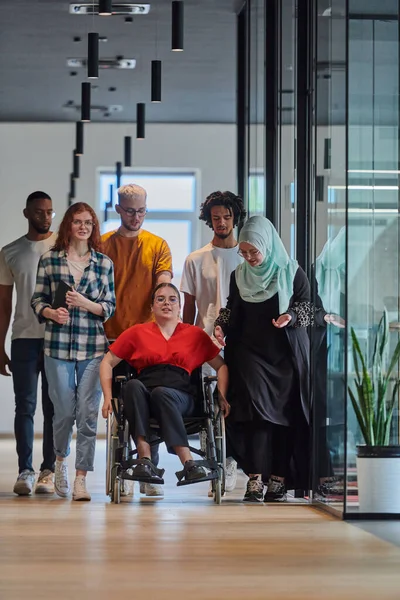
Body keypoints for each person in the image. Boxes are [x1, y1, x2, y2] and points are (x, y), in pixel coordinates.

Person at [214, 216, 311, 503]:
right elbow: (232, 308)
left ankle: (278, 479)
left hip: (285, 357)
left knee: (282, 418)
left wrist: (290, 316)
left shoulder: (292, 272)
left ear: (266, 245)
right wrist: (221, 324)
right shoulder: (239, 275)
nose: (248, 258)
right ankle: (254, 478)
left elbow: (307, 306)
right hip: (248, 353)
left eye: (253, 251)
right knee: (254, 414)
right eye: (243, 252)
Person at [100, 282, 229, 488]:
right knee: (132, 385)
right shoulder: (137, 333)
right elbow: (107, 362)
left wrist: (221, 396)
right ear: (152, 307)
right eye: (160, 299)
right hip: (145, 397)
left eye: (172, 299)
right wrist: (107, 397)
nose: (166, 303)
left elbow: (221, 366)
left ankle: (187, 462)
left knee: (162, 393)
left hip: (182, 397)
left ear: (179, 306)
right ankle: (145, 459)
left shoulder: (194, 334)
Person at [31, 202, 115, 502]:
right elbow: (37, 300)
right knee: (64, 412)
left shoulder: (104, 263)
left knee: (88, 413)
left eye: (88, 223)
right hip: (56, 347)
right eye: (78, 222)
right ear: (68, 225)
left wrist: (85, 303)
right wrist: (51, 313)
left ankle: (82, 477)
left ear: (93, 228)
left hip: (93, 348)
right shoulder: (50, 261)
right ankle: (60, 461)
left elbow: (108, 307)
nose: (83, 227)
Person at [101, 183, 173, 498]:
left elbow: (163, 277)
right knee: (120, 408)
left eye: (141, 210)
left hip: (147, 338)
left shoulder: (157, 245)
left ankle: (149, 469)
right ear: (118, 209)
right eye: (130, 211)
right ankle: (123, 470)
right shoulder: (102, 244)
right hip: (113, 336)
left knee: (149, 400)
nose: (136, 216)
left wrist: (165, 297)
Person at [180, 190, 246, 494]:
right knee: (209, 405)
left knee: (236, 402)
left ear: (235, 218)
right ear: (209, 220)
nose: (221, 222)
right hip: (207, 340)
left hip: (243, 340)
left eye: (226, 217)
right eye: (216, 217)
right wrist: (188, 344)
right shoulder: (196, 259)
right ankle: (213, 463)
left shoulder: (247, 256)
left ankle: (230, 459)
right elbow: (189, 309)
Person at [0, 191, 56, 496]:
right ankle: (25, 470)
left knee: (53, 407)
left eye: (49, 212)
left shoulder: (62, 247)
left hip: (56, 340)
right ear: (26, 213)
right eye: (38, 212)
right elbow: (3, 305)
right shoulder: (10, 252)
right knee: (25, 407)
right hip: (23, 339)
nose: (45, 218)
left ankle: (48, 470)